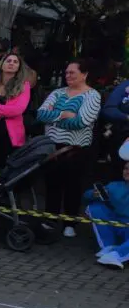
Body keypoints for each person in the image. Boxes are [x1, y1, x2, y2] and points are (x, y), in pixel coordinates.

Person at [37, 59, 102, 237]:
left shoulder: (93, 96)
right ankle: (50, 219)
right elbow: (41, 114)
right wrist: (64, 114)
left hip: (76, 149)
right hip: (52, 148)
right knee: (52, 185)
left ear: (85, 74)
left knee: (73, 186)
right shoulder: (57, 93)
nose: (68, 76)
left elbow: (81, 122)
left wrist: (54, 117)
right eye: (66, 72)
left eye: (72, 72)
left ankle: (70, 223)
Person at [0, 52, 33, 177]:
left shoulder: (24, 86)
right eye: (8, 61)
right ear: (2, 64)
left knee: (2, 173)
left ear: (19, 67)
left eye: (15, 62)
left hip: (8, 138)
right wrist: (1, 114)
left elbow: (18, 110)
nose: (11, 64)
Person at [84, 162, 129, 269]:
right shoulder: (114, 185)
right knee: (95, 208)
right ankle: (108, 247)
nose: (127, 171)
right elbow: (85, 196)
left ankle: (117, 255)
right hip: (117, 225)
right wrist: (93, 194)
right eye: (126, 168)